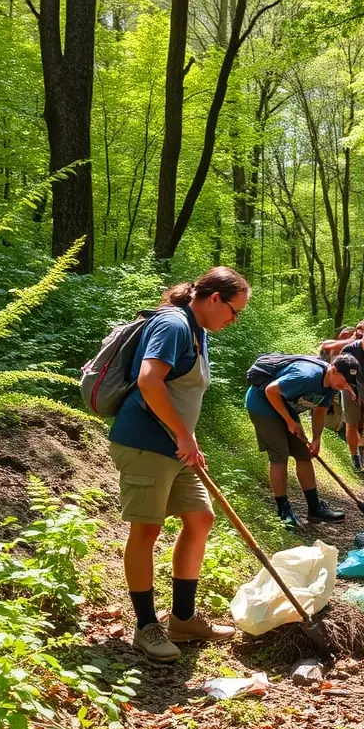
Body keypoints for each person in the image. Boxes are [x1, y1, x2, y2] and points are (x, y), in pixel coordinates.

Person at [108, 267, 251, 663]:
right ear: (215, 299)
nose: (234, 319)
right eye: (234, 310)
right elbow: (149, 381)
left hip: (175, 446)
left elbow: (178, 391)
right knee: (147, 530)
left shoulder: (197, 329)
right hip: (144, 444)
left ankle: (183, 619)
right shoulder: (173, 324)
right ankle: (145, 627)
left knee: (200, 519)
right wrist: (182, 433)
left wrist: (188, 436)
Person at [245, 353, 359, 530]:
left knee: (303, 454)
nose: (344, 387)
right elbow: (270, 390)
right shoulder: (306, 376)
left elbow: (320, 411)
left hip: (284, 405)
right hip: (262, 404)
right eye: (343, 382)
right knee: (279, 455)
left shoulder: (332, 385)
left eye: (348, 384)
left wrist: (316, 439)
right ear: (333, 370)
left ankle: (314, 508)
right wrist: (289, 422)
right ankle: (283, 511)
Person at [320, 322, 364, 472]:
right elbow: (338, 370)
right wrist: (350, 391)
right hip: (349, 389)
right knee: (351, 423)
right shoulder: (350, 349)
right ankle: (355, 458)